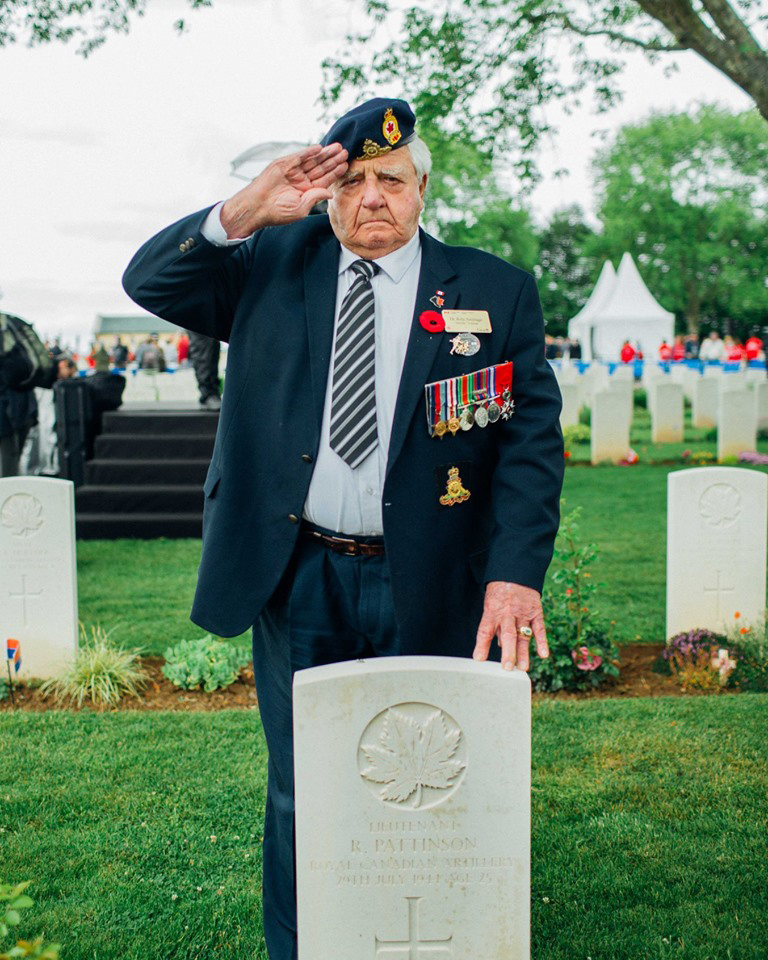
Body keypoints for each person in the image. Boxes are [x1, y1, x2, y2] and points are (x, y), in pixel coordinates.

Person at [123, 97, 563, 960]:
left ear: (423, 188)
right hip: (300, 573)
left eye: (390, 180)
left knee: (434, 775)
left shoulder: (492, 290)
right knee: (302, 783)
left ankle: (433, 938)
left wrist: (515, 574)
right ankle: (304, 947)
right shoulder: (269, 264)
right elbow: (150, 282)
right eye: (352, 180)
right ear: (325, 192)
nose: (371, 198)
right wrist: (249, 208)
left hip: (435, 572)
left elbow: (528, 446)